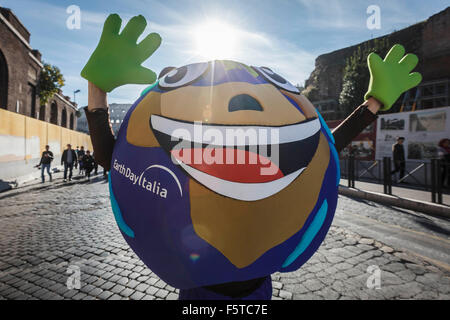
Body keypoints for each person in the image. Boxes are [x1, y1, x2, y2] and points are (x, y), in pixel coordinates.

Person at [82, 15, 421, 301]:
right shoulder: (184, 148)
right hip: (201, 290)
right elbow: (115, 158)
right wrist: (97, 86)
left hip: (254, 290)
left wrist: (372, 104)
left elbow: (323, 148)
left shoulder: (260, 151)